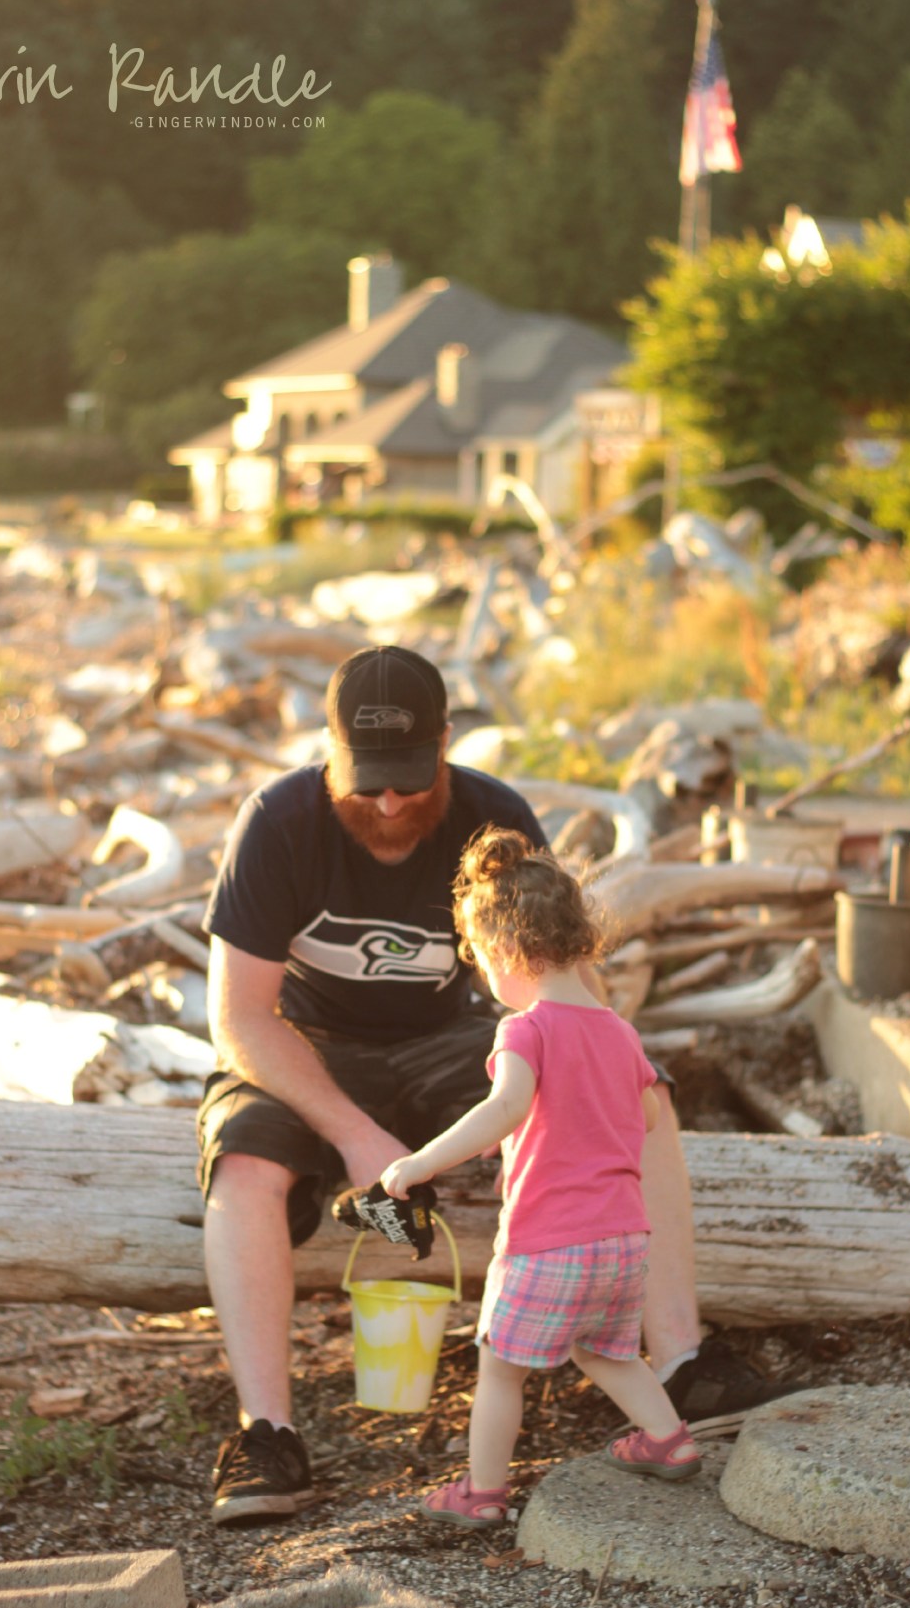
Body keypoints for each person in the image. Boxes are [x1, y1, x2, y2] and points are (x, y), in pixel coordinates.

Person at [197, 643, 793, 1527]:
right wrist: (360, 1137)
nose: (391, 801)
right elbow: (241, 1019)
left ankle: (677, 1361)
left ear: (445, 742)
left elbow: (561, 980)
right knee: (244, 1164)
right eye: (367, 782)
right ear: (328, 753)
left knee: (648, 1094)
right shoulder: (275, 823)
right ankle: (269, 1434)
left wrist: (621, 1064)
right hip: (311, 1045)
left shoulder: (492, 816)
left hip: (456, 1039)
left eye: (409, 775)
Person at [381, 828, 702, 1525]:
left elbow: (504, 1107)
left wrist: (421, 1162)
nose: (485, 980)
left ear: (505, 952)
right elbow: (646, 1114)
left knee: (500, 1367)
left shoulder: (525, 1030)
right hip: (624, 1242)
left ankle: (482, 1493)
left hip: (547, 1241)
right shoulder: (619, 1032)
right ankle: (670, 1440)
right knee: (608, 1352)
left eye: (481, 961)